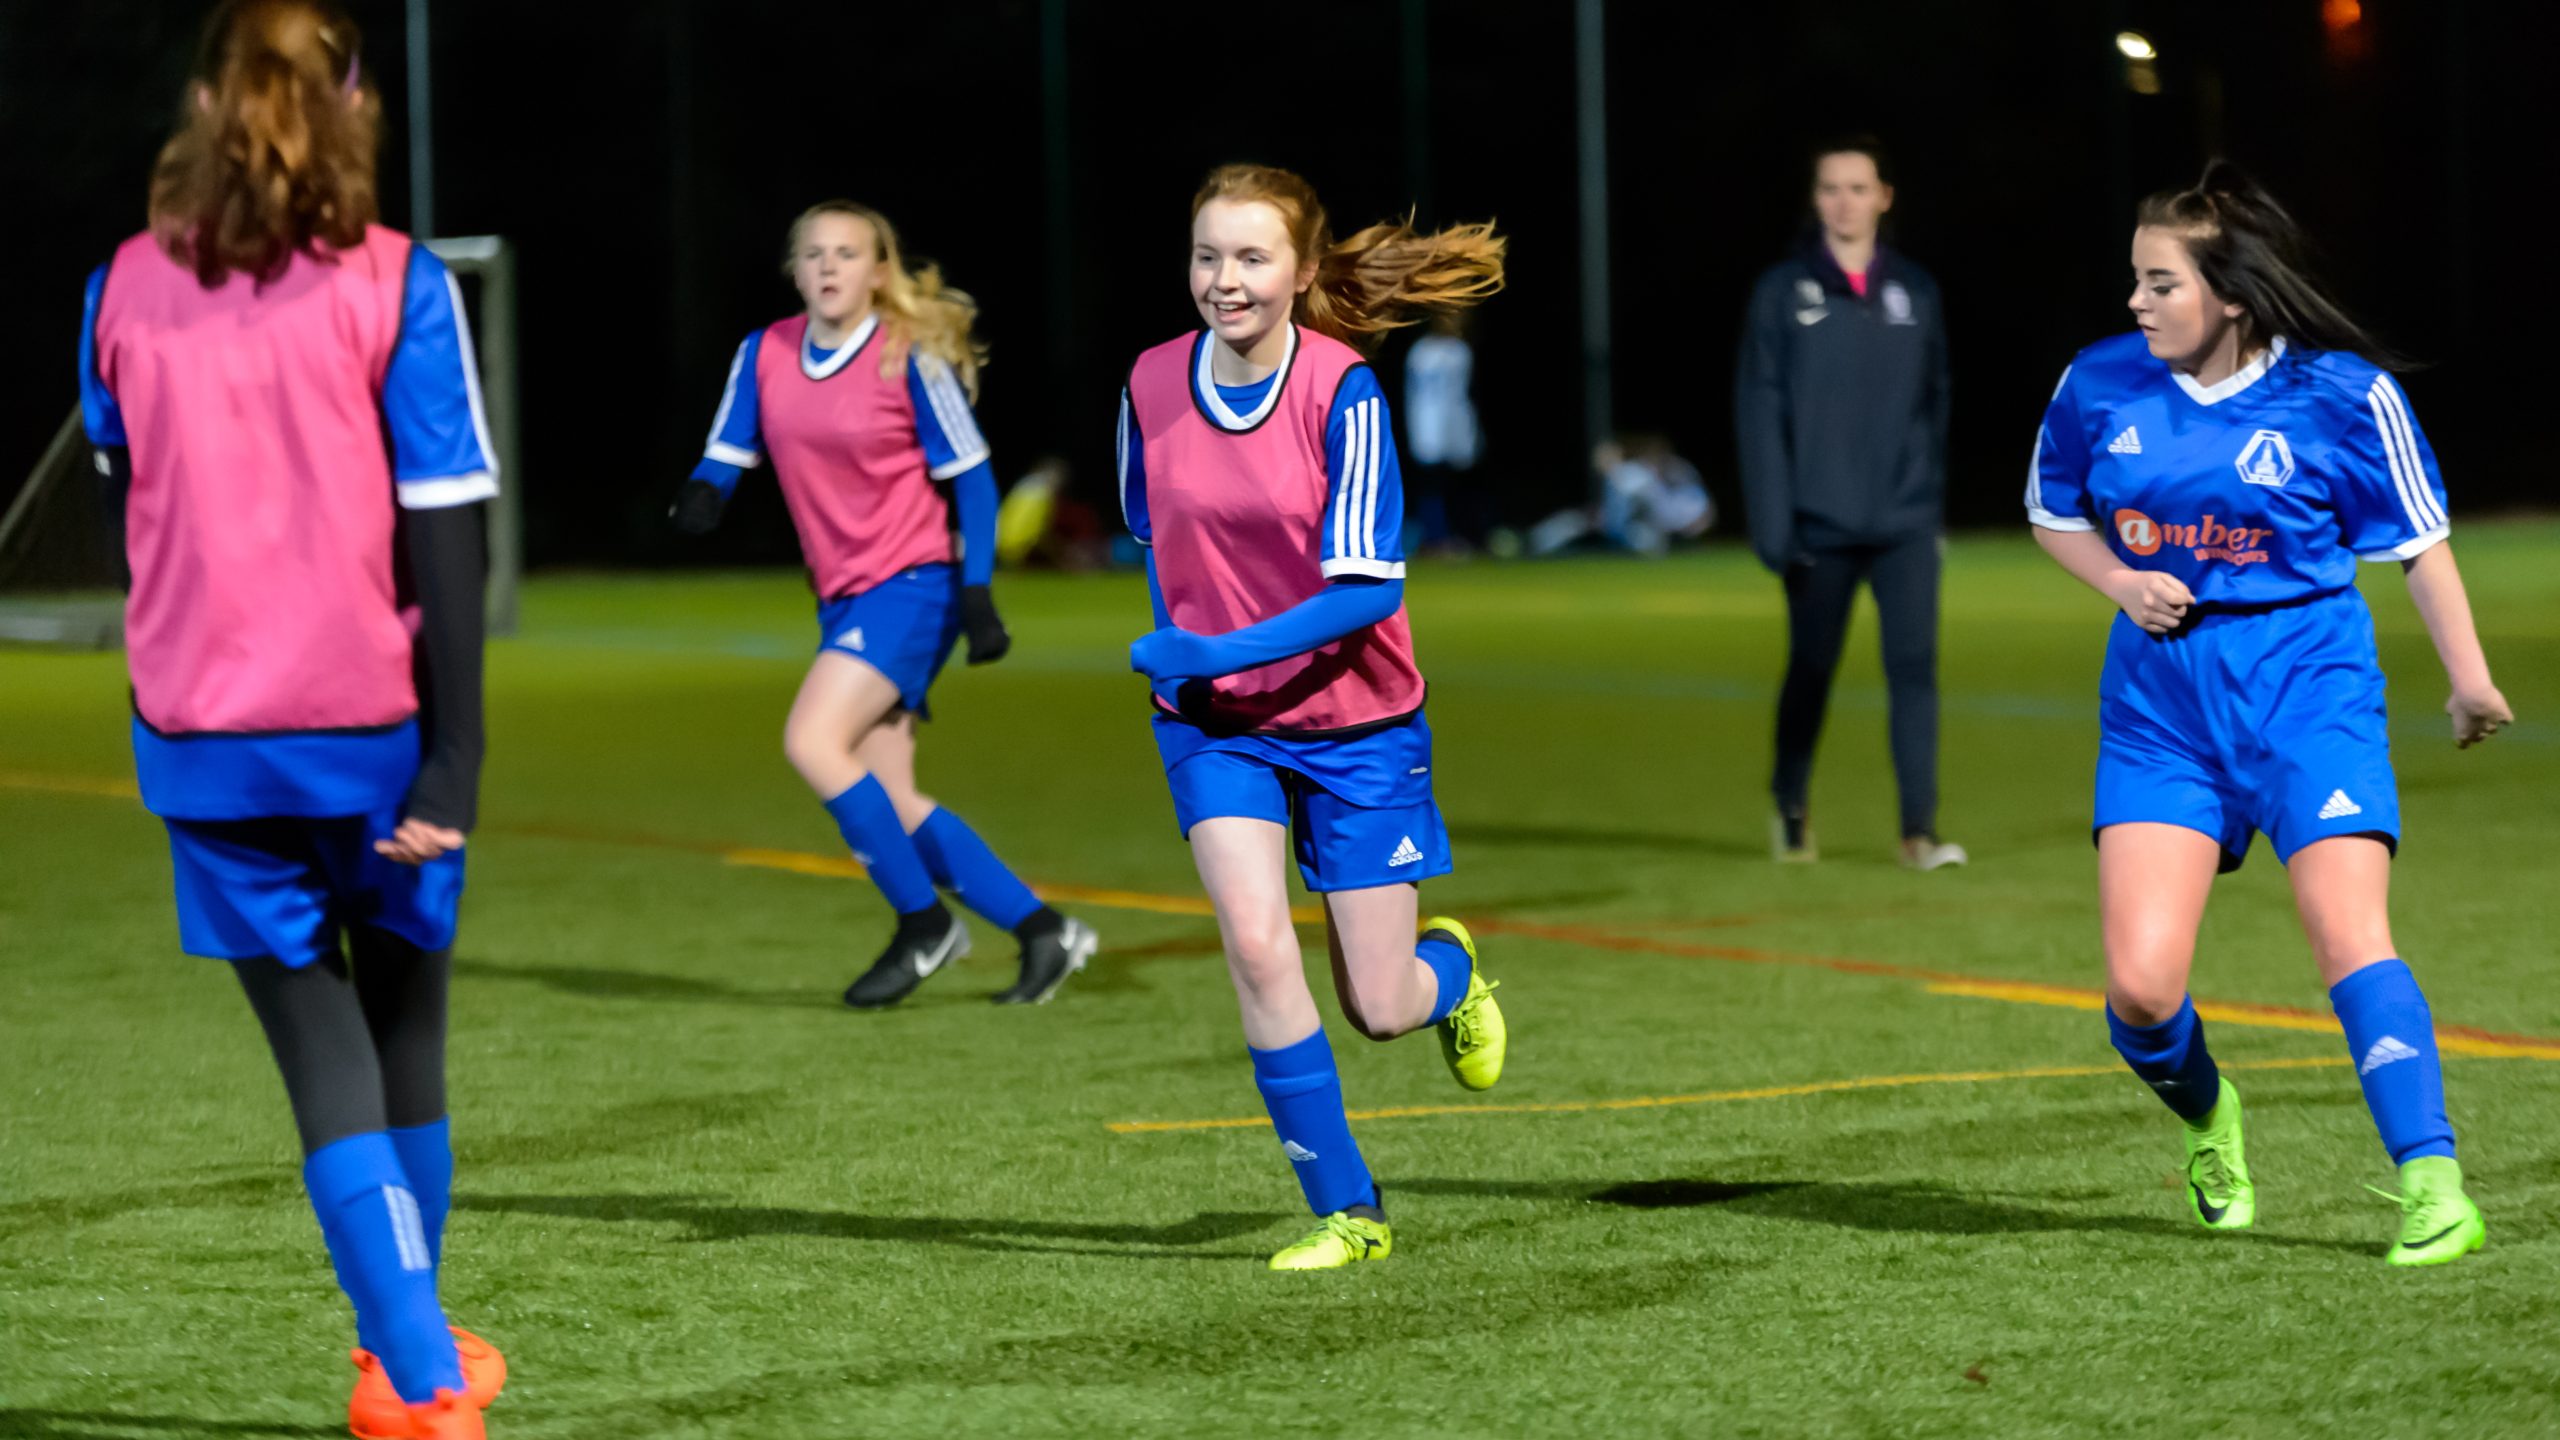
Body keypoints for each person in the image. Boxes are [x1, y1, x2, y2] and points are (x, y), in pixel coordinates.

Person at [78, 3, 505, 1434]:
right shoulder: (399, 284)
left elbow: (118, 486)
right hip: (375, 733)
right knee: (404, 1031)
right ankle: (420, 1375)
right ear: (358, 107)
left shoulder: (118, 289)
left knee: (321, 1051)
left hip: (199, 732)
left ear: (203, 101)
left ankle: (412, 1365)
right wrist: (457, 750)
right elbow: (448, 536)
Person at [2025, 161, 2511, 1266]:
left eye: (2161, 285)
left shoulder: (2341, 396)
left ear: (2229, 296)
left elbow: (2419, 545)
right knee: (2142, 990)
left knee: (2348, 932)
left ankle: (2432, 1184)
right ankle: (2208, 1118)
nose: (2136, 305)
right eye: (2135, 283)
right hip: (2160, 706)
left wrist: (2467, 677)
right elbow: (2055, 518)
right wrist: (2118, 581)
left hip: (2307, 691)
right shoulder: (2098, 387)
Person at [1117, 164, 1508, 1271]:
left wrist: (1212, 647)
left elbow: (1368, 589)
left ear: (1297, 272)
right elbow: (1155, 539)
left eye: (1249, 258)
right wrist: (1189, 671)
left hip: (1357, 724)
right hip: (1215, 725)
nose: (1223, 280)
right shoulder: (1148, 382)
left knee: (1377, 1007)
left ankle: (1452, 976)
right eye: (1206, 256)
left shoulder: (1343, 393)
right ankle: (1350, 1212)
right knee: (1252, 941)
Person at [674, 201, 1096, 1008]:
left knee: (812, 739)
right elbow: (727, 449)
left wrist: (977, 593)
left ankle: (924, 926)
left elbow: (969, 476)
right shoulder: (764, 352)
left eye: (847, 253)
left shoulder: (907, 358)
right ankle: (1046, 932)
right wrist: (703, 494)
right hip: (840, 597)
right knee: (892, 800)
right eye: (814, 254)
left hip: (914, 585)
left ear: (878, 271)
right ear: (794, 271)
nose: (829, 267)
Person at [1734, 135, 1963, 869]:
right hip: (1816, 526)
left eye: (1859, 188)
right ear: (1815, 199)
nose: (1845, 202)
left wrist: (1928, 508)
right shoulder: (1782, 293)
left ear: (1884, 198)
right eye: (1831, 188)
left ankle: (1919, 832)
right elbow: (1759, 411)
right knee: (1811, 667)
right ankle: (1791, 801)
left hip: (1903, 522)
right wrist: (1775, 526)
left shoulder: (1916, 292)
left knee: (1915, 666)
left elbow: (1936, 406)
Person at [1401, 311, 1483, 550]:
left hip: (1451, 425)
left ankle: (1463, 536)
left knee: (1458, 486)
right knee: (1432, 487)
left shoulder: (1449, 350)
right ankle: (1435, 538)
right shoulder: (1431, 351)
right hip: (1430, 424)